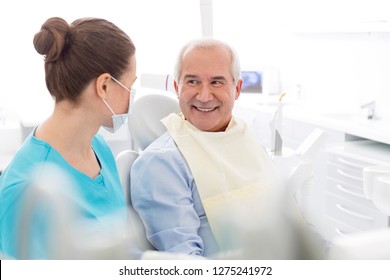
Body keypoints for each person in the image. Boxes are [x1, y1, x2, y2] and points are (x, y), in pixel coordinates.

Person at [0, 17, 137, 259]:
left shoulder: (98, 148)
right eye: (129, 86)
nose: (132, 97)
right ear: (104, 86)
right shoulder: (27, 190)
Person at [130, 38, 281, 258]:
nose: (204, 96)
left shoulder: (243, 137)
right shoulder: (162, 163)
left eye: (217, 82)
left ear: (237, 89)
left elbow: (292, 216)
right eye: (192, 82)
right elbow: (187, 262)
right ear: (176, 87)